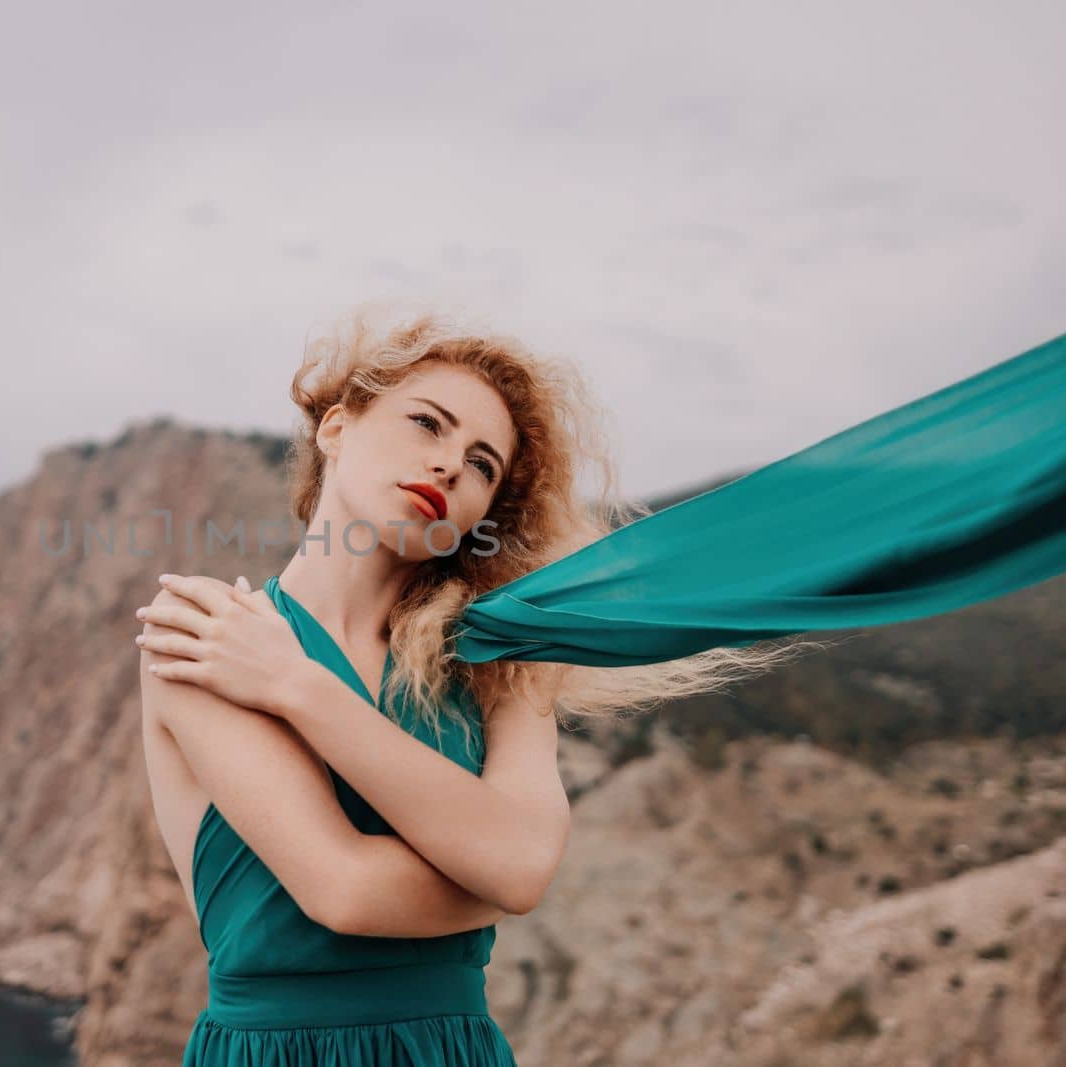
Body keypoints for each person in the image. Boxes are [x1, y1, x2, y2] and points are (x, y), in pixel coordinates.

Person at [135, 306, 810, 1064]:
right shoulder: (203, 630)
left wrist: (297, 686)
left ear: (482, 513)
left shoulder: (503, 664)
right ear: (336, 427)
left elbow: (520, 865)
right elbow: (346, 891)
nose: (451, 463)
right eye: (427, 423)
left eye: (483, 463)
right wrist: (487, 868)